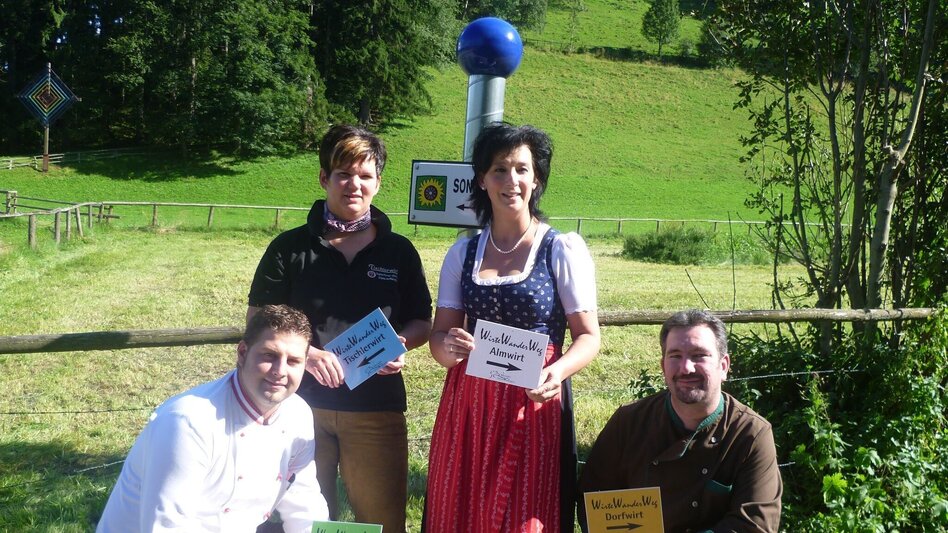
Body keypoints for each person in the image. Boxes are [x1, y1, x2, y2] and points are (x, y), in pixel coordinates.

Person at [247, 125, 432, 533]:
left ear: (378, 183)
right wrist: (307, 355)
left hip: (375, 409)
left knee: (383, 522)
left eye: (365, 175)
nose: (354, 184)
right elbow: (259, 322)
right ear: (324, 178)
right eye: (344, 173)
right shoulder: (289, 248)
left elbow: (422, 319)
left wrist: (402, 344)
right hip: (297, 407)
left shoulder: (398, 251)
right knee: (303, 523)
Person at [423, 122, 601, 532]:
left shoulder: (561, 248)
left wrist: (557, 371)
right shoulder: (463, 252)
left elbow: (588, 338)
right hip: (470, 403)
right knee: (459, 508)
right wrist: (446, 347)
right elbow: (439, 337)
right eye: (499, 169)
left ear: (537, 179)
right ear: (482, 179)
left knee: (524, 516)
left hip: (533, 399)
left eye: (522, 169)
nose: (511, 180)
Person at [97, 305, 328, 532]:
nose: (280, 371)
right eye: (269, 355)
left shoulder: (298, 414)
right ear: (242, 353)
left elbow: (304, 505)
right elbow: (166, 525)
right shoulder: (187, 422)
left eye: (293, 361)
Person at [578, 309, 782, 532]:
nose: (686, 368)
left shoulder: (750, 434)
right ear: (663, 366)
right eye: (675, 356)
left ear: (723, 366)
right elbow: (593, 500)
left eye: (699, 355)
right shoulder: (628, 422)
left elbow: (754, 524)